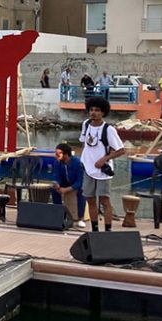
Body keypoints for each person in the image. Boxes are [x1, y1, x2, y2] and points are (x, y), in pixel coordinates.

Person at [78, 97, 126, 232]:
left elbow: (121, 150)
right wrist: (84, 159)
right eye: (91, 110)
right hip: (88, 169)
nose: (93, 113)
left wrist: (104, 159)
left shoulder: (109, 130)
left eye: (97, 110)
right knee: (90, 200)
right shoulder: (86, 124)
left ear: (103, 113)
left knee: (105, 200)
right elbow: (84, 142)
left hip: (102, 171)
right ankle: (94, 229)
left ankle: (108, 230)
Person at [50, 143, 86, 225]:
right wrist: (57, 184)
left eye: (59, 154)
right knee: (53, 190)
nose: (56, 156)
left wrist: (67, 189)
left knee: (82, 191)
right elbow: (57, 176)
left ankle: (81, 218)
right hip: (64, 182)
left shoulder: (78, 163)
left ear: (66, 154)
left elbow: (80, 181)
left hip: (75, 183)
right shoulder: (57, 163)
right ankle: (58, 214)